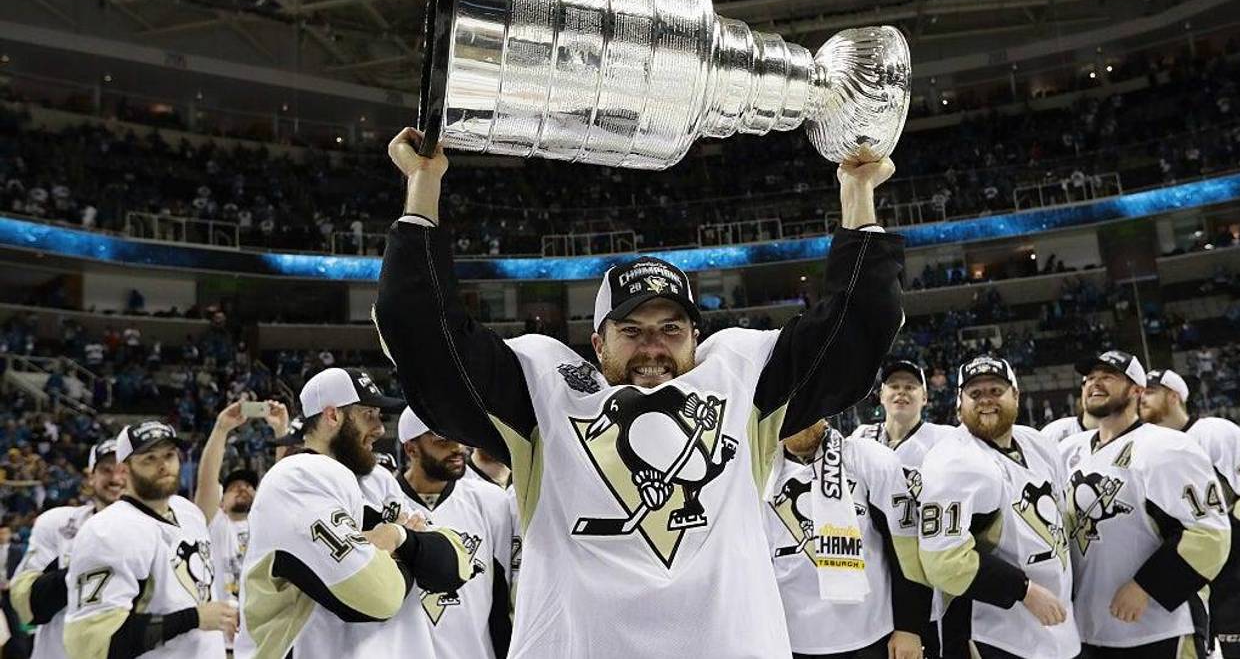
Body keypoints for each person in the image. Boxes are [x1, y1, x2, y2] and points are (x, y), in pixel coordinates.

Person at [374, 128, 905, 657]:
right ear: (596, 342)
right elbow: (424, 336)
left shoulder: (742, 383)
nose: (653, 347)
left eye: (672, 329)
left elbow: (856, 327)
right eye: (631, 331)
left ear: (697, 337)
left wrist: (857, 193)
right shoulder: (544, 395)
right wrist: (423, 188)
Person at [234, 367, 471, 658]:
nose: (381, 428)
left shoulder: (378, 479)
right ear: (332, 416)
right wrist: (415, 549)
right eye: (368, 415)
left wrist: (396, 537)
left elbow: (457, 567)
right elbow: (379, 597)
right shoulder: (295, 478)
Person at [1063, 352, 1230, 659]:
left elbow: (1211, 534)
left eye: (1107, 376)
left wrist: (1147, 586)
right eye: (1089, 378)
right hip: (1088, 630)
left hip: (1161, 627)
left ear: (1136, 390)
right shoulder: (1067, 452)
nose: (1094, 383)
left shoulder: (1167, 447)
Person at [918, 356, 1079, 659]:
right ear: (958, 405)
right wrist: (1024, 590)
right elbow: (943, 561)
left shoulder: (1038, 444)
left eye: (995, 391)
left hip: (1058, 629)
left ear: (1016, 396)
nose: (986, 401)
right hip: (991, 636)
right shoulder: (952, 461)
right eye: (975, 394)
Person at [64, 422, 235, 659]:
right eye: (149, 459)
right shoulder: (107, 531)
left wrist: (221, 430)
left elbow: (208, 493)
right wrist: (194, 618)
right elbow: (92, 643)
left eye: (169, 455)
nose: (163, 466)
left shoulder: (185, 511)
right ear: (124, 470)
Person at [767, 419, 928, 659]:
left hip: (871, 636)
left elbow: (905, 546)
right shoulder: (759, 473)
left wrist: (909, 627)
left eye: (805, 408)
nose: (797, 418)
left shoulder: (869, 460)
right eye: (789, 411)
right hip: (791, 640)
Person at [1139, 368, 1240, 659]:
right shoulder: (1146, 444)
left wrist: (1231, 539)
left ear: (1173, 396)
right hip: (1185, 561)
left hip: (1230, 560)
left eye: (1150, 392)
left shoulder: (1214, 432)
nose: (1141, 398)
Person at [850, 359, 952, 657]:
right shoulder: (860, 438)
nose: (901, 392)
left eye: (910, 387)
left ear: (925, 396)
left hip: (923, 567)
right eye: (894, 386)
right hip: (876, 564)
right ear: (881, 395)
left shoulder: (944, 440)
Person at [397, 408, 513, 659]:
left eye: (459, 437)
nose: (458, 447)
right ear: (411, 449)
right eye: (442, 440)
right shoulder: (380, 505)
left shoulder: (491, 501)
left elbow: (505, 594)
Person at [10, 439, 126, 659]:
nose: (115, 479)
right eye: (106, 470)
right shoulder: (58, 524)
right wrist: (88, 566)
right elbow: (26, 605)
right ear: (91, 477)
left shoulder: (156, 532)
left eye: (123, 470)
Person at [196, 401, 287, 607]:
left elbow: (285, 482)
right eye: (234, 486)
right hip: (222, 627)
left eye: (248, 486)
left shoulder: (265, 523)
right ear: (221, 502)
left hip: (260, 624)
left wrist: (281, 430)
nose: (243, 488)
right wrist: (221, 428)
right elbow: (207, 480)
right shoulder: (216, 525)